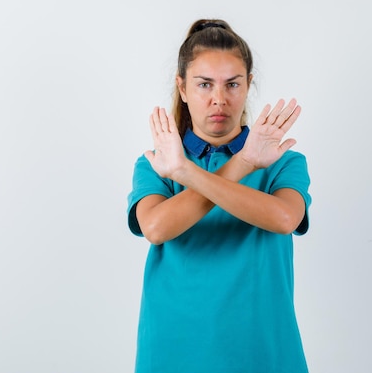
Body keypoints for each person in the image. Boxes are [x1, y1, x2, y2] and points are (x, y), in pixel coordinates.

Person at [126, 19, 312, 373]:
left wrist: (187, 173)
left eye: (232, 84)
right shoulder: (156, 164)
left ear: (248, 86)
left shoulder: (282, 162)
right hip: (174, 351)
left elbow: (285, 218)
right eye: (204, 84)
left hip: (263, 351)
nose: (219, 99)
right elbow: (156, 228)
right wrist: (238, 165)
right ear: (182, 88)